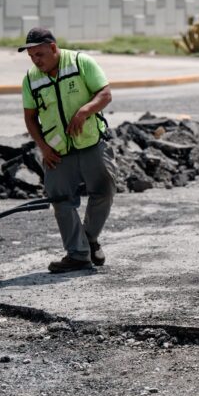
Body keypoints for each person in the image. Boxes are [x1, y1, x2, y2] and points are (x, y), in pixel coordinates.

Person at [19, 27, 117, 274]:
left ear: (53, 47)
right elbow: (30, 118)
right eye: (31, 56)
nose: (35, 61)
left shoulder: (80, 62)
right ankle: (78, 254)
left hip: (91, 143)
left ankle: (89, 239)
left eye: (39, 54)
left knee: (104, 190)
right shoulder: (31, 79)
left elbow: (105, 94)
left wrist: (85, 111)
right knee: (60, 200)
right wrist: (43, 148)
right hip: (57, 152)